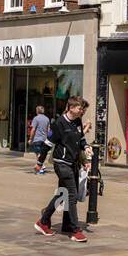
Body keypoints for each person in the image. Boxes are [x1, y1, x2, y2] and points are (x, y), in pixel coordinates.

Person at [34, 96, 88, 242]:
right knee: (72, 194)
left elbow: (81, 139)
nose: (81, 110)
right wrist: (40, 162)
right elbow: (47, 144)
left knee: (62, 194)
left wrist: (86, 148)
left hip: (72, 163)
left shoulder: (77, 121)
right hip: (61, 163)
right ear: (71, 108)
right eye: (79, 108)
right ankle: (75, 231)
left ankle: (43, 222)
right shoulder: (58, 123)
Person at [29, 105, 50, 171]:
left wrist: (30, 139)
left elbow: (33, 129)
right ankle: (40, 166)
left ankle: (41, 166)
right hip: (44, 139)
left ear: (37, 111)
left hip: (37, 139)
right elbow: (49, 130)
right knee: (41, 153)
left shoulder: (36, 118)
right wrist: (48, 138)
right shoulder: (47, 119)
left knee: (38, 153)